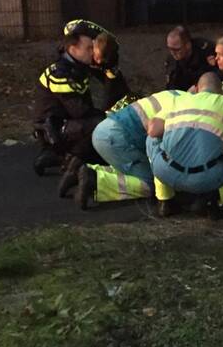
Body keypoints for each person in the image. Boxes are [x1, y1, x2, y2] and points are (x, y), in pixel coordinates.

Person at [147, 73, 223, 217]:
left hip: (166, 173)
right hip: (204, 179)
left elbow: (153, 131)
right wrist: (222, 138)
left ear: (197, 88)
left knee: (151, 139)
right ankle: (212, 198)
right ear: (222, 92)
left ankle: (164, 200)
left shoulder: (178, 100)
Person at [31, 19, 106, 191]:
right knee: (101, 125)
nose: (93, 52)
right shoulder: (60, 73)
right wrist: (108, 115)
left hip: (63, 124)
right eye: (89, 48)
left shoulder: (77, 67)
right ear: (73, 48)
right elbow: (79, 111)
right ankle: (72, 159)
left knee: (99, 122)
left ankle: (68, 157)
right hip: (53, 129)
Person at [83, 88, 186, 210]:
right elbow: (160, 150)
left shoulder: (173, 93)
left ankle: (85, 171)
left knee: (132, 169)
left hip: (103, 130)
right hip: (119, 138)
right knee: (152, 182)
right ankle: (97, 182)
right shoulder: (184, 110)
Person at [164, 25, 216, 91]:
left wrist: (197, 86)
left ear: (188, 45)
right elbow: (171, 87)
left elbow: (217, 76)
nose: (173, 53)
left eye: (177, 49)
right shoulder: (172, 60)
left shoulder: (205, 51)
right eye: (170, 48)